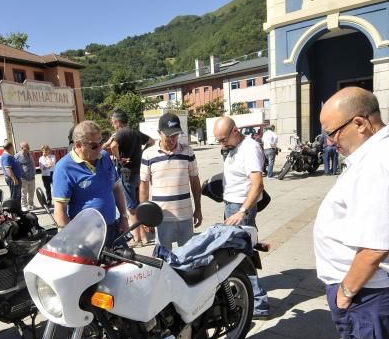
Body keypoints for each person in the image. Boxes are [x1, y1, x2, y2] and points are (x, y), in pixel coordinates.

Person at [314, 87, 389, 339]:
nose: (329, 142)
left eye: (333, 132)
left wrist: (345, 291)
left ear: (359, 123)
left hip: (365, 292)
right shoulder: (374, 154)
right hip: (370, 291)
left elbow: (374, 248)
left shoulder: (376, 163)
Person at [213, 116, 270, 319]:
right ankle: (246, 293)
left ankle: (259, 303)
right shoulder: (234, 147)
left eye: (223, 139)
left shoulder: (249, 148)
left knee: (242, 256)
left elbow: (257, 184)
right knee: (237, 254)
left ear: (235, 131)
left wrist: (242, 211)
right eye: (218, 140)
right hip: (233, 206)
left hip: (240, 209)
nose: (221, 144)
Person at [52, 120, 129, 244]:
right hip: (85, 236)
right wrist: (72, 239)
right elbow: (60, 210)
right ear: (78, 144)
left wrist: (124, 216)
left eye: (101, 142)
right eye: (94, 145)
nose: (100, 148)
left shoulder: (104, 157)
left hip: (112, 228)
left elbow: (116, 189)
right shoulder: (64, 167)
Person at [140, 112, 202, 249]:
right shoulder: (148, 154)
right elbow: (143, 186)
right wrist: (145, 216)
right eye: (169, 136)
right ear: (159, 133)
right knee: (164, 260)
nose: (173, 139)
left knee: (188, 257)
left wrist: (198, 209)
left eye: (176, 135)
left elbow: (195, 182)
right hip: (161, 218)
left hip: (185, 217)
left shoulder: (188, 152)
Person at [103, 109, 154, 247]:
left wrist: (119, 159)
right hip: (140, 172)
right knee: (139, 204)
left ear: (116, 122)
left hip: (127, 173)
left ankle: (137, 238)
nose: (112, 125)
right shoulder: (135, 132)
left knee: (131, 207)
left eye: (113, 122)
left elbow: (112, 146)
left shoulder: (119, 134)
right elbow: (151, 141)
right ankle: (143, 236)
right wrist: (143, 152)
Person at [15, 141, 36, 211]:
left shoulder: (29, 154)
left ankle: (31, 204)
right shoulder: (17, 156)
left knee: (31, 192)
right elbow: (14, 166)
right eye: (26, 146)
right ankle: (24, 205)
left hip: (32, 177)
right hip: (23, 178)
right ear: (22, 148)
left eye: (28, 145)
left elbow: (32, 164)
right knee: (24, 193)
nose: (28, 147)